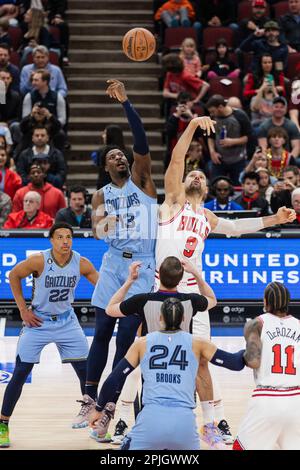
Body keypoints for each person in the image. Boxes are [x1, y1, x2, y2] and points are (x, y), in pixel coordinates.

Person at [80, 80, 219, 432]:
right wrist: (104, 226)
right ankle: (89, 400)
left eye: (122, 155)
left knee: (128, 339)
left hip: (142, 264)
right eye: (113, 157)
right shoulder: (100, 196)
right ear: (106, 167)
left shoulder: (143, 182)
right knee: (100, 332)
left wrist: (127, 104)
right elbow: (98, 233)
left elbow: (140, 140)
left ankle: (112, 408)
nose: (120, 157)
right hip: (113, 264)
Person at [155, 114, 296, 446]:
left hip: (196, 297)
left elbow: (237, 228)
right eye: (193, 173)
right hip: (162, 292)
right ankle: (134, 418)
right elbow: (177, 159)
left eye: (201, 176)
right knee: (153, 356)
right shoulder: (172, 203)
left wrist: (273, 219)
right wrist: (191, 126)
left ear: (206, 189)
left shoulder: (206, 217)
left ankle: (208, 422)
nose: (195, 176)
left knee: (202, 358)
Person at [89, 297, 249, 450]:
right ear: (184, 318)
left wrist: (98, 408)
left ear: (160, 318)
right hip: (184, 428)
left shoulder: (142, 344)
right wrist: (251, 348)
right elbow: (235, 363)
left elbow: (113, 380)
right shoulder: (198, 343)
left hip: (150, 423)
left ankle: (124, 424)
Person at [0, 222, 99, 448]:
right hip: (39, 321)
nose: (65, 241)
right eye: (60, 237)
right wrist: (23, 310)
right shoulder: (39, 260)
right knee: (20, 372)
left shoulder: (81, 263)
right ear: (52, 240)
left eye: (69, 237)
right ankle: (3, 423)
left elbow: (102, 285)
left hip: (67, 321)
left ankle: (95, 421)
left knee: (86, 372)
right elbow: (14, 275)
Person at [104, 256, 217, 444]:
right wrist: (196, 273)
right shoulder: (190, 300)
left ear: (158, 276)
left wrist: (129, 281)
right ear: (181, 279)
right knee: (199, 374)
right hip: (181, 368)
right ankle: (209, 425)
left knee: (134, 381)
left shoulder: (142, 300)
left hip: (153, 369)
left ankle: (124, 423)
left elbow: (110, 309)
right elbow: (212, 299)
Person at [233, 282, 300, 450]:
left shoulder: (256, 324)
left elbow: (253, 361)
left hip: (267, 399)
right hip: (296, 399)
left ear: (265, 301)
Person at [206, 94, 252, 185]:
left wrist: (232, 141)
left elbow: (248, 138)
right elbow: (210, 136)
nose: (211, 114)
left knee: (238, 187)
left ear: (220, 107)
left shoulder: (240, 116)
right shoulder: (212, 117)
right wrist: (212, 152)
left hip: (238, 159)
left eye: (213, 111)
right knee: (214, 186)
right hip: (219, 159)